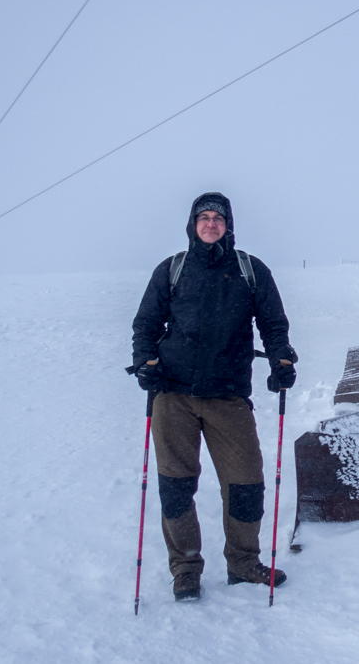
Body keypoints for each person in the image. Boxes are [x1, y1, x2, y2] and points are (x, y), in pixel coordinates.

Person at [131, 192, 297, 602]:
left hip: (228, 396)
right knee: (176, 485)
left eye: (217, 219)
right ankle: (185, 568)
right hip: (173, 394)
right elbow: (146, 323)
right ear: (193, 224)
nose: (210, 224)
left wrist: (281, 360)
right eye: (203, 217)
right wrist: (145, 364)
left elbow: (273, 323)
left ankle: (243, 563)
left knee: (246, 483)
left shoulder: (249, 270)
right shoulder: (172, 269)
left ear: (228, 225)